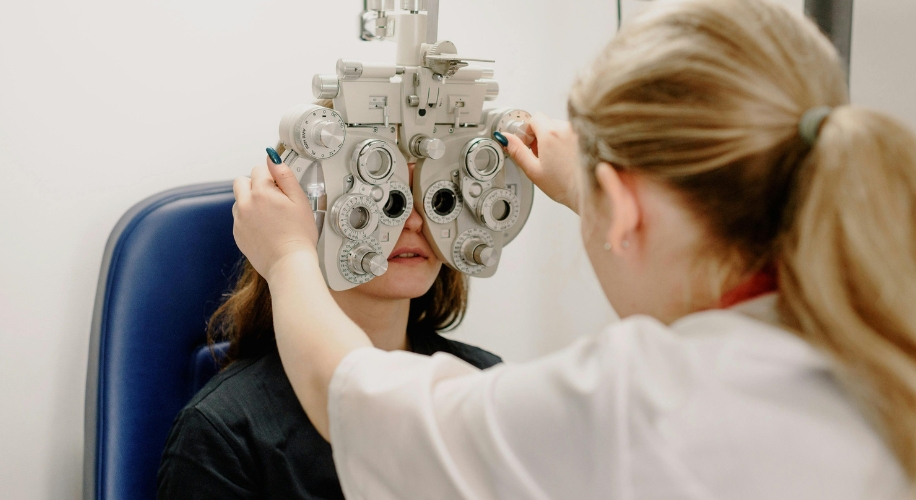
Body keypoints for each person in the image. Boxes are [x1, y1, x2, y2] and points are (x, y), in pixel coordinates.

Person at [230, 0, 916, 498]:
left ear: (620, 207)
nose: (408, 223)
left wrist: (288, 259)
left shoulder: (637, 405)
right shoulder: (877, 338)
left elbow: (360, 404)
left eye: (429, 199)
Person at [156, 156, 502, 498]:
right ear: (305, 217)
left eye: (435, 198)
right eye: (384, 200)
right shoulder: (224, 432)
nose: (412, 221)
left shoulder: (485, 381)